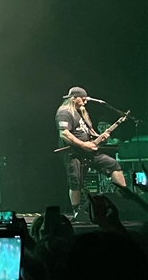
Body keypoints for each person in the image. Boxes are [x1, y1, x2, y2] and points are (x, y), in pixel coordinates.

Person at [56, 86, 126, 221]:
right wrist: (83, 145)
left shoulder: (82, 112)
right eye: (83, 99)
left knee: (113, 165)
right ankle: (77, 212)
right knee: (76, 181)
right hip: (73, 153)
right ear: (74, 98)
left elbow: (89, 132)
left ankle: (124, 196)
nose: (85, 101)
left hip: (89, 151)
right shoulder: (64, 113)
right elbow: (64, 134)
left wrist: (99, 137)